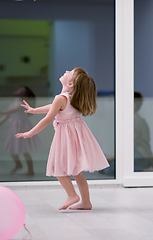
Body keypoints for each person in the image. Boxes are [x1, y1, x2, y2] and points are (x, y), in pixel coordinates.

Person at [15, 67, 109, 210]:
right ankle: (86, 202)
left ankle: (72, 195)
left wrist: (31, 132)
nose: (66, 71)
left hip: (66, 138)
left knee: (57, 167)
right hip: (77, 138)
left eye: (69, 72)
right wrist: (35, 110)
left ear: (71, 84)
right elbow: (54, 107)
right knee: (77, 172)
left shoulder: (61, 98)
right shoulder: (72, 98)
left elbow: (48, 119)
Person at [0, 86, 41, 175]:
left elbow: (11, 111)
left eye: (21, 91)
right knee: (12, 148)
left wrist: (3, 112)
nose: (18, 90)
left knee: (24, 149)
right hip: (14, 128)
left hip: (22, 127)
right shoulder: (12, 104)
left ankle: (30, 170)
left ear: (25, 96)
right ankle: (18, 164)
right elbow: (5, 117)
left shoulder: (22, 104)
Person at [134, 91, 153, 171]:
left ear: (134, 105)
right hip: (143, 157)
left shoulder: (134, 122)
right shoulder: (141, 121)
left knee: (110, 168)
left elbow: (130, 146)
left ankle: (144, 170)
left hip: (139, 157)